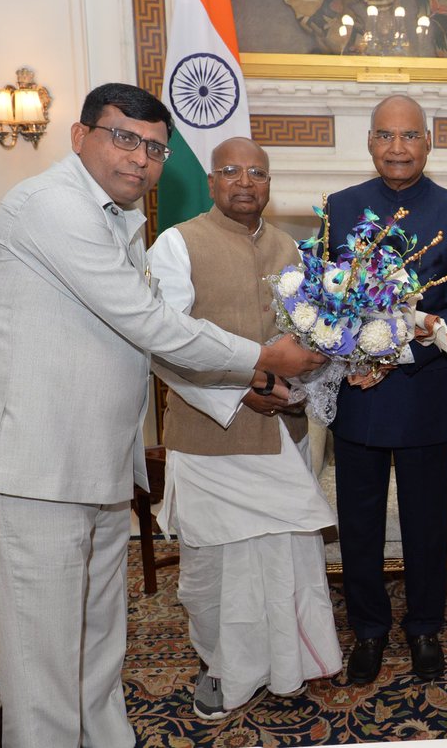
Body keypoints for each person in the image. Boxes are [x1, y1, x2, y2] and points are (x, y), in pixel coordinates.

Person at [0, 83, 326, 748]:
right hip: (30, 467)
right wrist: (264, 359)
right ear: (79, 137)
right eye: (124, 138)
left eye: (154, 147)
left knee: (96, 642)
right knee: (44, 665)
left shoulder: (118, 219)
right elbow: (150, 324)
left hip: (89, 463)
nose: (141, 159)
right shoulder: (50, 207)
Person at [147, 137, 342, 721]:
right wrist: (245, 388)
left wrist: (298, 385)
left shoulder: (294, 250)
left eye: (257, 172)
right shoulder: (176, 244)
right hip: (210, 438)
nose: (244, 181)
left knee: (288, 559)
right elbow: (164, 344)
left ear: (268, 183)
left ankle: (290, 665)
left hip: (282, 437)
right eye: (230, 170)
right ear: (211, 181)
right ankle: (221, 666)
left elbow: (314, 344)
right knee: (212, 570)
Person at [327, 94, 447, 684]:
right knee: (358, 521)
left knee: (425, 523)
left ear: (428, 142)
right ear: (370, 142)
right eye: (386, 136)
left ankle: (424, 629)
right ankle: (368, 630)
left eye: (410, 136)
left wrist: (399, 351)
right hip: (358, 392)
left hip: (422, 390)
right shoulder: (339, 209)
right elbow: (322, 298)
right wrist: (357, 350)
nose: (398, 148)